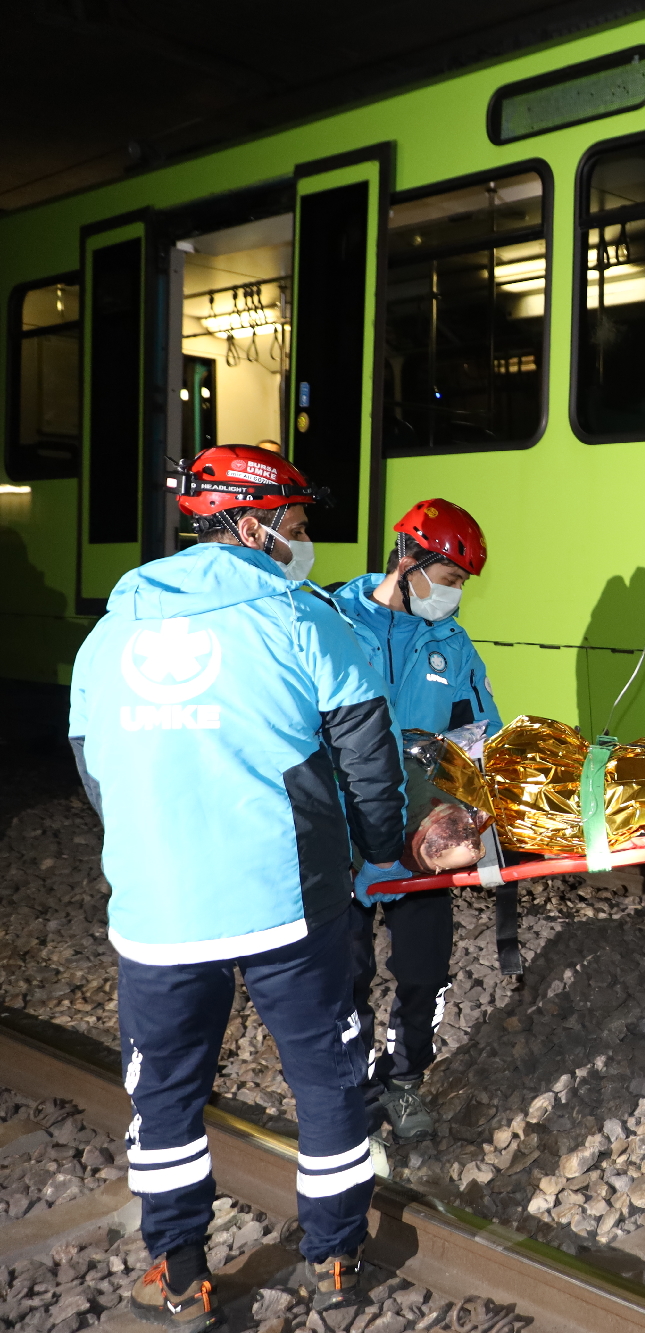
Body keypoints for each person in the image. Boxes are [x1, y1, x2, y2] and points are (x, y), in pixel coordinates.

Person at [68, 445, 407, 1325]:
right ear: (252, 524)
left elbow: (95, 774)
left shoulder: (109, 635)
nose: (303, 541)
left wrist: (158, 850)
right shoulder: (304, 624)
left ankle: (179, 1271)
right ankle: (334, 1258)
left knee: (166, 1092)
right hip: (285, 906)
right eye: (295, 524)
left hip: (157, 915)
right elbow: (370, 765)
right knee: (327, 1077)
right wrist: (380, 852)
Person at [328, 499, 497, 1144]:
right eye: (448, 579)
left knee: (425, 967)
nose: (453, 597)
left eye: (460, 585)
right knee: (346, 974)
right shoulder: (334, 622)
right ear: (408, 561)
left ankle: (404, 1080)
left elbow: (480, 730)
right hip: (344, 838)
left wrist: (479, 809)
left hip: (422, 842)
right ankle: (352, 1087)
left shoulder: (449, 644)